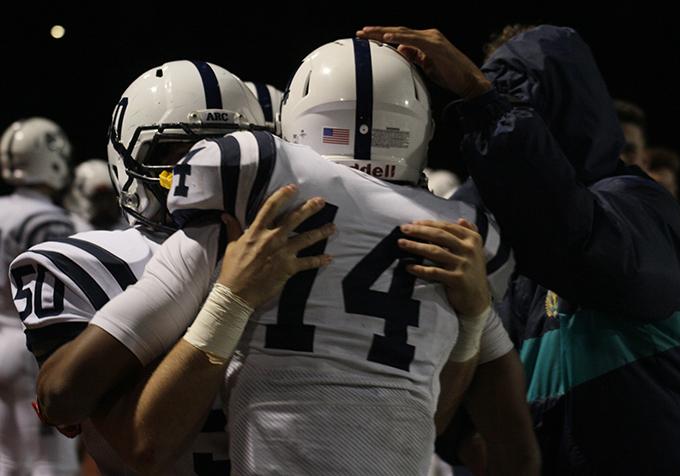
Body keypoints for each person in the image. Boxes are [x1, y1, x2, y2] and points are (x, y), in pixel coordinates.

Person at [71, 39, 516, 475]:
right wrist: (474, 318)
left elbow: (65, 400)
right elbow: (431, 423)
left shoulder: (250, 187)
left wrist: (231, 297)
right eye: (167, 153)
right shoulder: (464, 232)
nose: (182, 163)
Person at [357, 24, 680, 474]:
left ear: (564, 105)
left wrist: (481, 98)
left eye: (518, 102)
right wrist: (468, 433)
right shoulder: (498, 226)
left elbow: (571, 238)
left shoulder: (639, 204)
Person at [7, 60, 275, 475]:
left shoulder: (295, 242)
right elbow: (88, 417)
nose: (208, 177)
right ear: (127, 162)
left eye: (227, 155)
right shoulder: (82, 264)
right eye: (177, 160)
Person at [0, 117, 79, 474]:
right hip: (29, 344)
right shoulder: (48, 217)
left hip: (0, 338)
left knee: (7, 457)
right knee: (50, 460)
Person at [64, 158, 126, 231]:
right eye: (98, 198)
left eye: (109, 198)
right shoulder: (66, 226)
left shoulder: (126, 228)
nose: (105, 204)